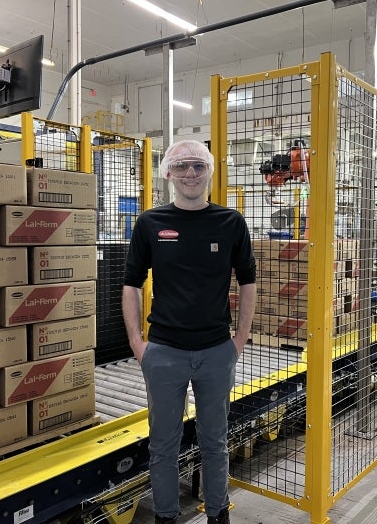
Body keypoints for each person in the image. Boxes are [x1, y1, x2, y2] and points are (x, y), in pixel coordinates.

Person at [122, 140, 257, 524]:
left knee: (215, 442)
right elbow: (131, 283)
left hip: (216, 351)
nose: (191, 174)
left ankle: (218, 514)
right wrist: (137, 341)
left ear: (210, 172)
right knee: (163, 445)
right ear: (168, 173)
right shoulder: (150, 223)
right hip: (164, 353)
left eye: (198, 166)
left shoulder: (231, 223)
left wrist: (240, 339)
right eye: (181, 166)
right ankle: (166, 517)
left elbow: (248, 281)